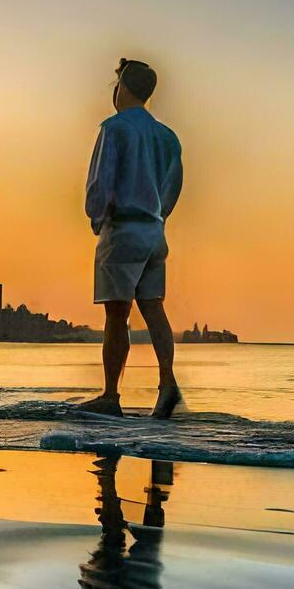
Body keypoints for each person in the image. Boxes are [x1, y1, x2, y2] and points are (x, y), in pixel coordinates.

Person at [78, 58, 185, 419]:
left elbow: (101, 182)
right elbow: (173, 189)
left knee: (116, 314)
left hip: (123, 228)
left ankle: (110, 395)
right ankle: (167, 382)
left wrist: (97, 218)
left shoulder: (115, 128)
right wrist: (159, 218)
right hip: (154, 230)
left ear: (122, 85)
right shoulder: (167, 138)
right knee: (153, 307)